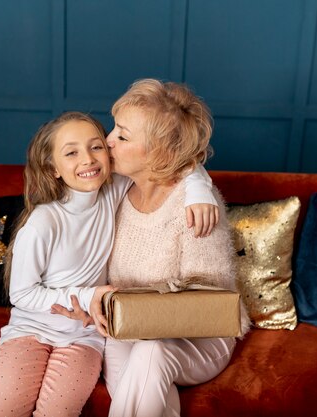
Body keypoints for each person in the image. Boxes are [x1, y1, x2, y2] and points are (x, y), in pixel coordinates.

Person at [0, 111, 218, 417]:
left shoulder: (112, 191)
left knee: (57, 412)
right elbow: (22, 295)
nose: (88, 160)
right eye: (71, 152)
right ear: (53, 168)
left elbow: (173, 161)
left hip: (85, 336)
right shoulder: (44, 222)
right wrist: (88, 295)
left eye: (96, 147)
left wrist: (200, 190)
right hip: (30, 329)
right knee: (4, 410)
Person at [80, 79, 251, 417]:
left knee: (152, 353)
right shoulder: (115, 189)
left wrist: (149, 321)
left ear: (160, 153)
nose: (108, 140)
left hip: (199, 339)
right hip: (125, 327)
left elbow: (210, 306)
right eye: (113, 127)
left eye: (123, 136)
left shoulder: (195, 208)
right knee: (141, 390)